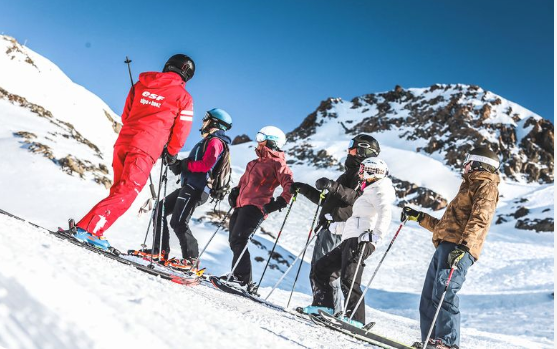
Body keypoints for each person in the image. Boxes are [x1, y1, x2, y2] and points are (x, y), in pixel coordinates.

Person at [72, 54, 195, 250]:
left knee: (119, 190)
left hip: (124, 142)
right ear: (188, 75)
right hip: (146, 148)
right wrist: (171, 152)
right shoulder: (184, 98)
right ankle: (88, 229)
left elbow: (126, 115)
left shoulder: (140, 84)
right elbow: (182, 130)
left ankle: (94, 228)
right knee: (128, 191)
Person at [402, 147, 500, 349]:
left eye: (467, 161)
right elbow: (446, 228)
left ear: (478, 163)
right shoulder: (467, 187)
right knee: (429, 296)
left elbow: (480, 219)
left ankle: (446, 343)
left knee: (445, 292)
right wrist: (420, 217)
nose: (464, 165)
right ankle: (430, 341)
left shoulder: (486, 186)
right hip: (446, 246)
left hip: (460, 248)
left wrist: (464, 247)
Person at [290, 134, 380, 313]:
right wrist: (304, 189)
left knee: (328, 270)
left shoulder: (365, 175)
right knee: (319, 267)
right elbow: (329, 201)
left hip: (340, 227)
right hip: (328, 226)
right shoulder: (348, 174)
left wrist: (333, 186)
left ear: (363, 150)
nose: (348, 150)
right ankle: (323, 306)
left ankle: (331, 308)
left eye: (352, 147)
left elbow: (358, 199)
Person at [302, 157, 395, 328]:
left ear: (372, 171)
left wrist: (376, 236)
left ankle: (356, 320)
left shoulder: (379, 190)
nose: (359, 173)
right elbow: (357, 220)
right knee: (322, 268)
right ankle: (324, 306)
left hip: (361, 240)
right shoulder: (367, 191)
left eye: (363, 169)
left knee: (349, 279)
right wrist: (336, 227)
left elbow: (385, 213)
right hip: (350, 239)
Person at [142, 108, 232, 268]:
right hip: (189, 186)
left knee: (179, 222)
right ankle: (159, 251)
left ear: (215, 122)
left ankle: (191, 261)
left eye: (206, 118)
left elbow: (206, 165)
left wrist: (184, 165)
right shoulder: (207, 141)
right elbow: (195, 164)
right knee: (159, 210)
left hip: (197, 188)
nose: (203, 121)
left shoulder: (215, 142)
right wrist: (178, 165)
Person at [226, 126, 294, 289]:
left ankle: (242, 280)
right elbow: (243, 182)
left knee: (240, 239)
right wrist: (235, 192)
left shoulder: (278, 163)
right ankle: (239, 277)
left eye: (261, 137)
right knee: (234, 240)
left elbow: (289, 184)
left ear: (272, 141)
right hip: (241, 205)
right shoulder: (253, 163)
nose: (257, 141)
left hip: (256, 207)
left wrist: (280, 202)